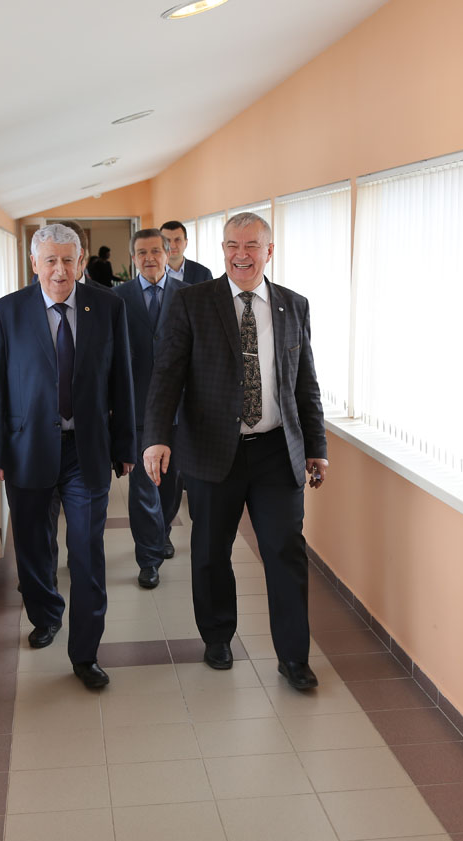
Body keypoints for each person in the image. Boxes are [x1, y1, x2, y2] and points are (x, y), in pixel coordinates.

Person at [142, 212, 328, 691]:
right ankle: (217, 636)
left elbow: (305, 382)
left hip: (275, 451)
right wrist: (157, 436)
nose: (240, 255)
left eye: (250, 246)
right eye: (231, 245)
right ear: (222, 249)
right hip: (211, 449)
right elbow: (167, 375)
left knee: (285, 551)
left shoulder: (293, 305)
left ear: (269, 251)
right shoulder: (192, 302)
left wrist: (316, 446)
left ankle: (294, 658)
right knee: (210, 551)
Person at [0, 223, 135, 689]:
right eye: (50, 260)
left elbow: (121, 380)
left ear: (81, 261)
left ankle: (85, 653)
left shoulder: (108, 307)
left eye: (68, 260)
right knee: (33, 546)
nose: (60, 270)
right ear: (34, 263)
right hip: (27, 450)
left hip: (86, 450)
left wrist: (125, 443)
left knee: (86, 553)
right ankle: (46, 614)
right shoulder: (7, 312)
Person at [114, 229, 189, 589]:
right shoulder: (118, 298)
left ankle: (162, 531)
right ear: (133, 258)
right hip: (138, 408)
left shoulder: (187, 295)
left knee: (171, 484)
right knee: (143, 487)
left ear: (168, 252)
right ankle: (148, 558)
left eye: (155, 251)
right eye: (141, 253)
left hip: (178, 409)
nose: (149, 258)